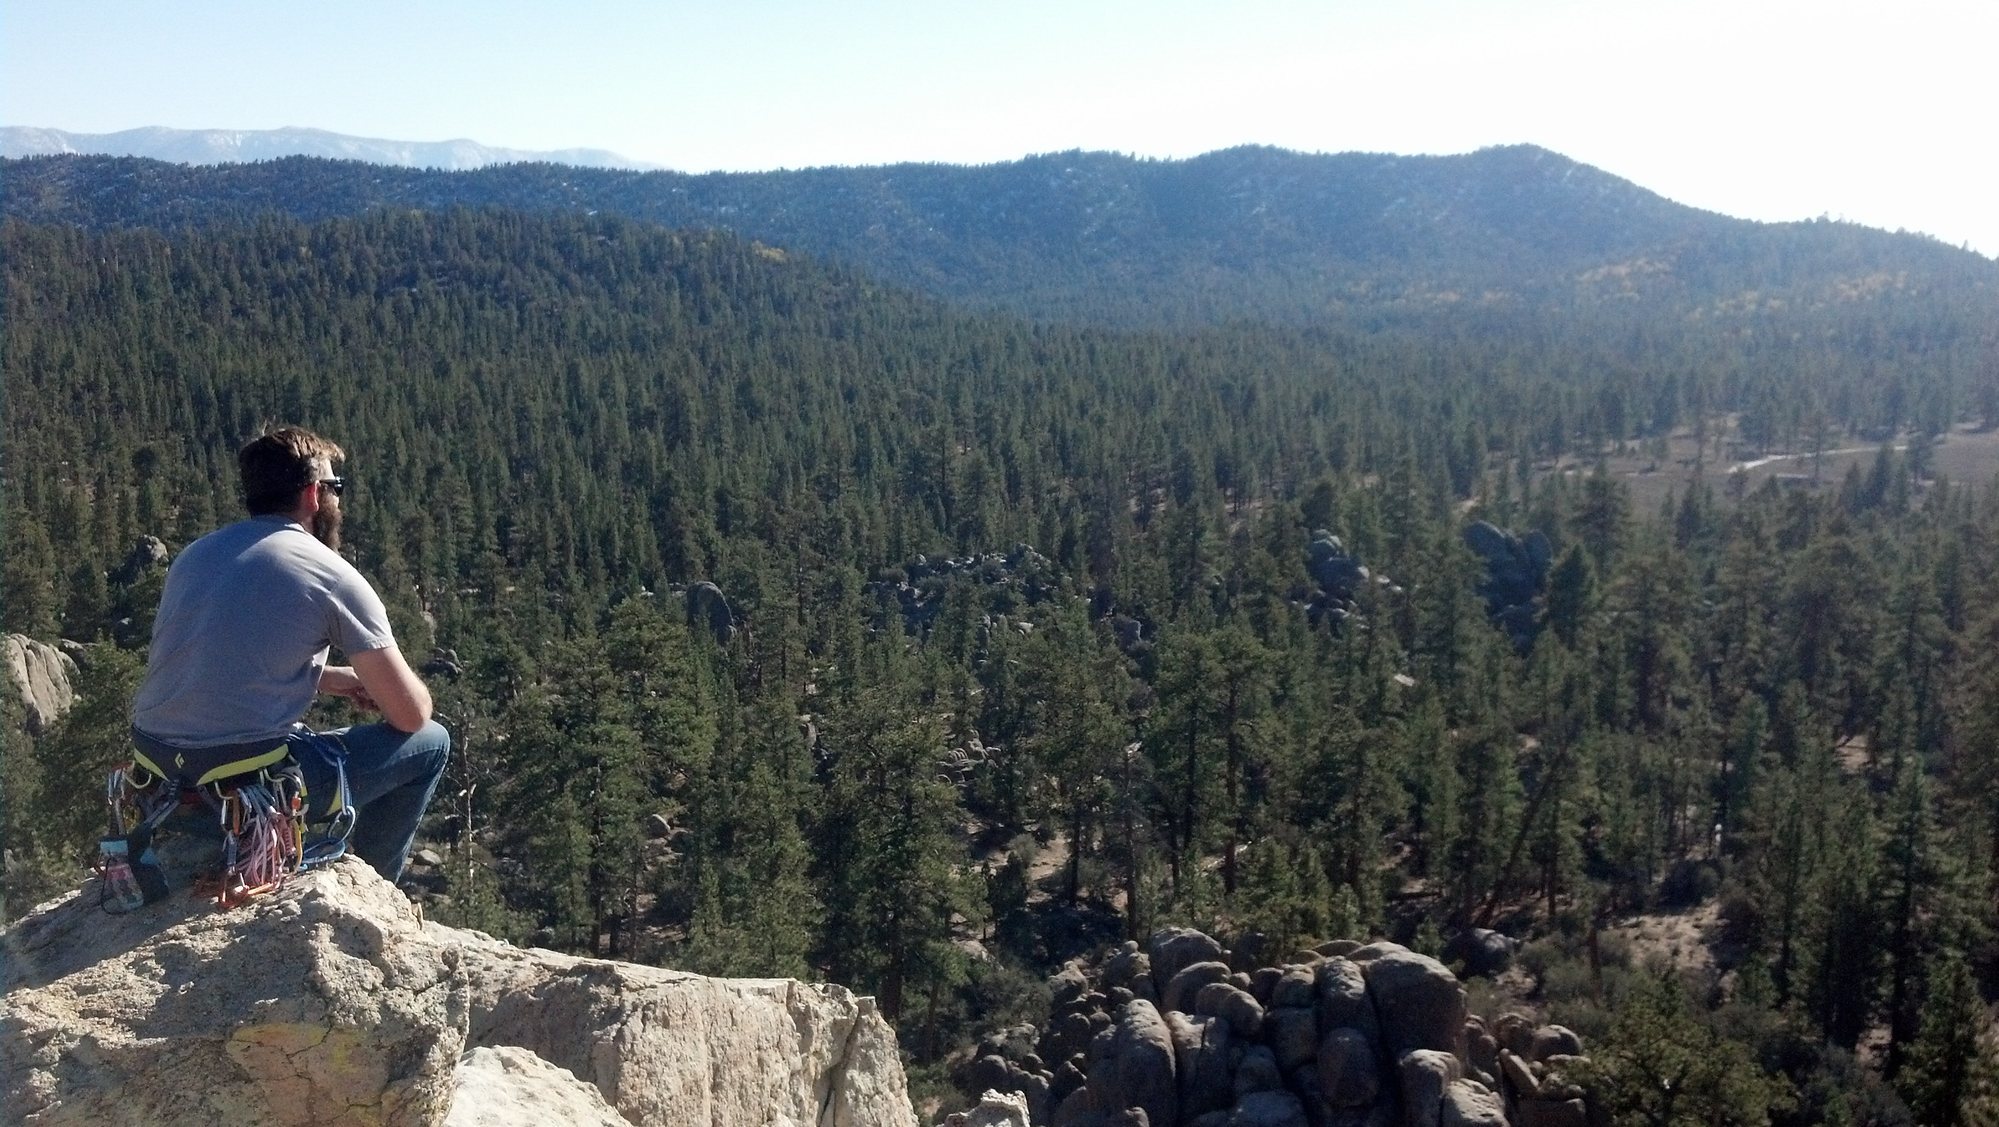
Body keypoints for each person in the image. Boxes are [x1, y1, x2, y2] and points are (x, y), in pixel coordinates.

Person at [130, 425, 449, 883]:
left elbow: (207, 659)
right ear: (314, 495)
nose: (340, 499)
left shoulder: (196, 555)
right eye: (336, 487)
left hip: (164, 794)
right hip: (246, 798)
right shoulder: (331, 576)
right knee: (432, 742)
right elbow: (411, 716)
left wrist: (328, 677)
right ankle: (378, 889)